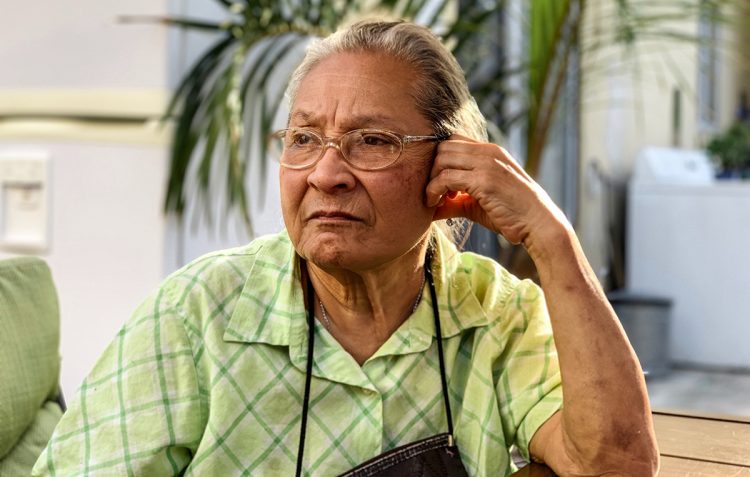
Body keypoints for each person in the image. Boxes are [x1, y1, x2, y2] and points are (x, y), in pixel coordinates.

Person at [33, 20, 658, 477]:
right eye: (304, 138)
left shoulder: (499, 316)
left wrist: (552, 238)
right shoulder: (195, 315)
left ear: (449, 171)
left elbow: (615, 465)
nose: (325, 173)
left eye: (373, 141)